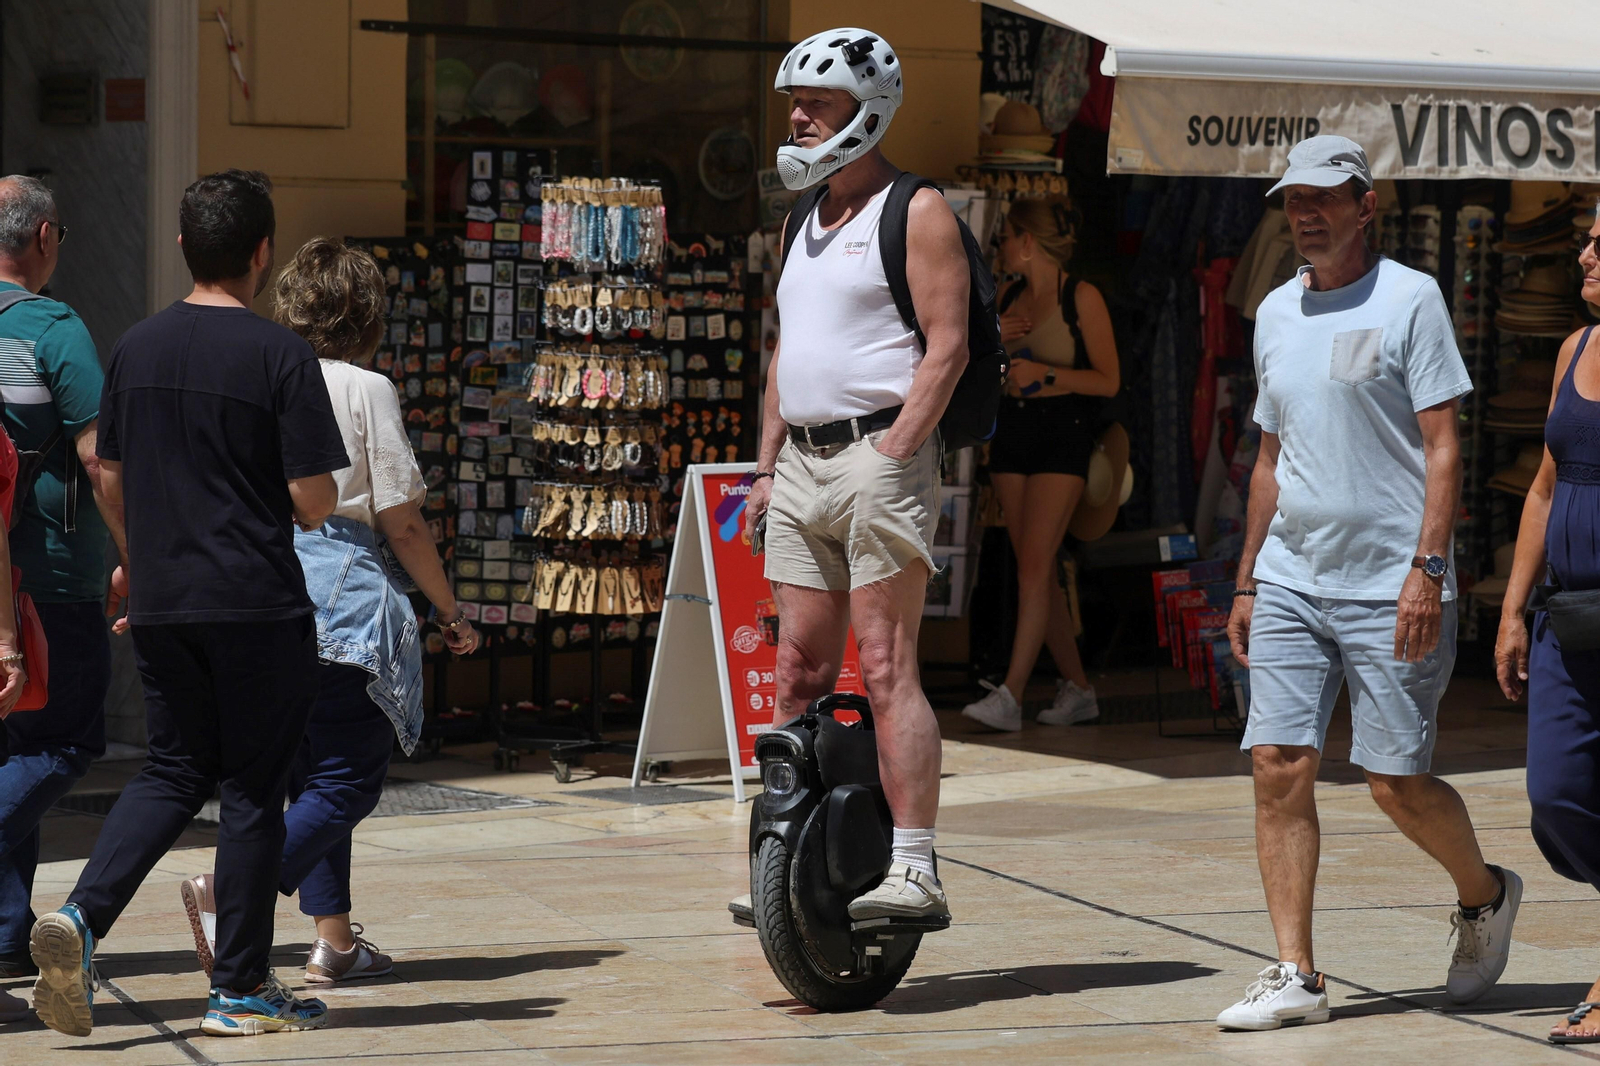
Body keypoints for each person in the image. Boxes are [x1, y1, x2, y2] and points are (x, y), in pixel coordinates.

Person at [29, 170, 349, 1038]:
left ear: (182, 246)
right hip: (256, 605)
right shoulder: (281, 355)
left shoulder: (136, 347)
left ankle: (84, 917)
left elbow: (110, 473)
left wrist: (136, 563)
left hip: (165, 602)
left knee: (172, 769)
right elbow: (314, 500)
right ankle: (239, 988)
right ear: (262, 253)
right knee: (252, 790)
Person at [1220, 135, 1519, 1030]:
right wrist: (1245, 581)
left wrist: (1428, 570)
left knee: (1394, 780)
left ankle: (1484, 895)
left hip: (1393, 581)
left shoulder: (1411, 298)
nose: (1305, 214)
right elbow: (1269, 458)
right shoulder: (1274, 311)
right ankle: (1296, 973)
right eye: (1292, 202)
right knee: (1278, 764)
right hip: (1291, 578)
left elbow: (1443, 448)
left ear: (1365, 203)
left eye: (1323, 199)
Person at [176, 237, 479, 986]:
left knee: (307, 778)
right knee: (350, 777)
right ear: (366, 312)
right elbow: (402, 522)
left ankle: (335, 944)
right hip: (339, 593)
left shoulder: (262, 372)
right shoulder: (363, 388)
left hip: (261, 588)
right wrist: (450, 610)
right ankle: (231, 889)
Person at [739, 27, 968, 922]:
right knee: (797, 669)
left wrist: (894, 450)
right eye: (795, 102)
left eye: (816, 103)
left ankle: (915, 864)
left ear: (863, 114)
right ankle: (784, 852)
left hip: (878, 456)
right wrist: (763, 469)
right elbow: (784, 353)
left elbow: (945, 349)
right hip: (798, 461)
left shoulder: (916, 210)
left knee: (884, 664)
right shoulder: (801, 216)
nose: (797, 117)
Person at [0, 176, 127, 1003]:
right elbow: (97, 458)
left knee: (13, 747)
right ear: (45, 236)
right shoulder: (53, 327)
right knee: (64, 741)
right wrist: (137, 552)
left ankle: (9, 936)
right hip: (47, 575)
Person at [1494, 203, 1600, 1045]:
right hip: (1567, 613)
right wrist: (1511, 610)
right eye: (1587, 242)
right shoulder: (1575, 349)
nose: (1587, 256)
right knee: (1555, 797)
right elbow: (1542, 490)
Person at [960, 195, 1119, 731]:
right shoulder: (1006, 294)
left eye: (1005, 237)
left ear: (1027, 242)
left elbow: (1109, 381)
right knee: (1037, 567)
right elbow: (979, 364)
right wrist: (996, 346)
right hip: (1013, 431)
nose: (999, 247)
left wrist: (1046, 375)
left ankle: (1011, 693)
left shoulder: (1083, 298)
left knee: (1032, 562)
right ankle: (1077, 688)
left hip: (1064, 432)